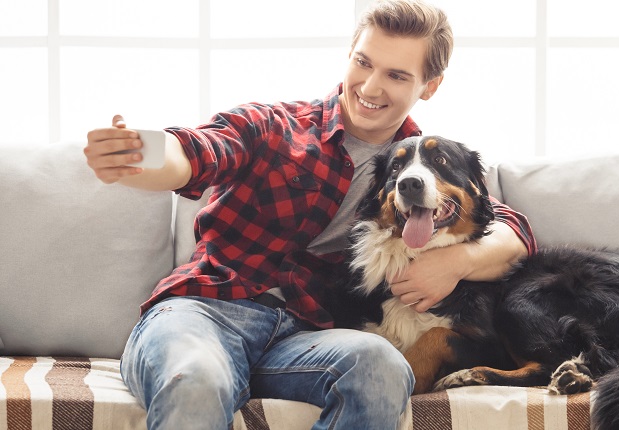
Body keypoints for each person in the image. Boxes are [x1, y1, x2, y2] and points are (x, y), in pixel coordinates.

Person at [84, 1, 536, 429]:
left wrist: (457, 262)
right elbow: (196, 151)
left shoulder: (421, 166)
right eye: (363, 63)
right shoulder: (275, 126)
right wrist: (137, 154)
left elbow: (509, 227)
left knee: (381, 366)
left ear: (430, 86)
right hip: (205, 313)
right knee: (197, 379)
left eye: (396, 75)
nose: (371, 86)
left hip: (307, 336)